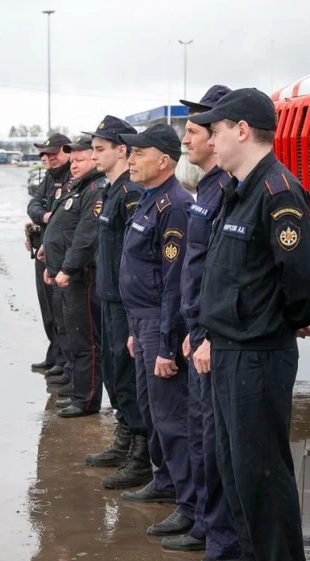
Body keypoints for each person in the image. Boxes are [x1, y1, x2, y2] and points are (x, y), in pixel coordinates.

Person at [189, 88, 310, 561]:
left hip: (259, 354)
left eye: (215, 129)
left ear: (242, 130)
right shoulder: (238, 191)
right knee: (235, 466)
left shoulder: (277, 191)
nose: (209, 139)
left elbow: (300, 278)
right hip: (230, 349)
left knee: (264, 473)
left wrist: (276, 323)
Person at [164, 86, 244, 561]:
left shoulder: (224, 191)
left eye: (195, 130)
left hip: (217, 338)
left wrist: (205, 330)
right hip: (199, 331)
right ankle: (203, 523)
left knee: (217, 445)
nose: (187, 140)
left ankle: (223, 540)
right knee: (199, 434)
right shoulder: (207, 190)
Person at [116, 123, 198, 528]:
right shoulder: (150, 200)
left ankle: (188, 502)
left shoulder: (175, 206)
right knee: (151, 409)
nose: (131, 160)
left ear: (163, 160)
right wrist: (135, 329)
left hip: (159, 323)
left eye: (138, 154)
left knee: (171, 415)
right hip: (142, 321)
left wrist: (167, 344)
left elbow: (173, 283)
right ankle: (165, 478)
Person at [82, 116, 150, 487]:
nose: (93, 156)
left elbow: (135, 255)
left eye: (99, 149)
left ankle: (140, 455)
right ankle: (123, 440)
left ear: (121, 150)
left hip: (126, 302)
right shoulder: (110, 190)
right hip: (108, 298)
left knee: (127, 376)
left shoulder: (130, 194)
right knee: (113, 373)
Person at [41, 135, 107, 418]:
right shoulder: (77, 186)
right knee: (74, 337)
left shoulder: (95, 189)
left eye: (80, 160)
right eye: (74, 160)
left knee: (86, 341)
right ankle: (78, 390)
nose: (75, 165)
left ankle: (86, 399)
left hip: (82, 274)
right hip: (65, 273)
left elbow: (84, 236)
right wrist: (52, 263)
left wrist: (66, 269)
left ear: (93, 160)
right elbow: (61, 225)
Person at [28, 133, 74, 386]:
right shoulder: (49, 178)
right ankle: (54, 355)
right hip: (44, 251)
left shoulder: (72, 178)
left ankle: (65, 363)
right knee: (48, 309)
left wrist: (47, 217)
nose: (49, 159)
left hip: (61, 254)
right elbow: (33, 206)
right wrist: (45, 217)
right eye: (45, 155)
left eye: (54, 153)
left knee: (62, 313)